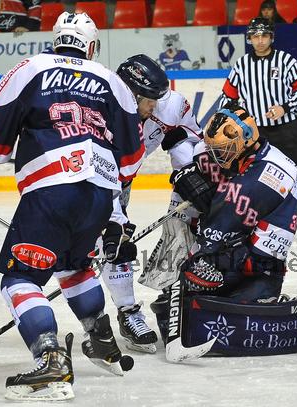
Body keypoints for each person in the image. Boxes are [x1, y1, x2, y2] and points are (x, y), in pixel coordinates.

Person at [0, 12, 145, 401]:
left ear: (57, 40)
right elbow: (132, 161)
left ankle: (50, 359)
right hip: (101, 195)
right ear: (90, 46)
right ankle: (100, 335)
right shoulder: (114, 83)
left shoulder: (30, 67)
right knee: (74, 265)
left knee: (19, 281)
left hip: (52, 191)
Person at [151, 103, 297, 341]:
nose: (213, 155)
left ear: (245, 143)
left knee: (232, 292)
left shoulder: (273, 173)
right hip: (218, 250)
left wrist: (202, 261)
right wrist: (186, 174)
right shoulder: (212, 151)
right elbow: (189, 204)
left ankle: (264, 295)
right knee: (174, 297)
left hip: (256, 262)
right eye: (212, 148)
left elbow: (228, 222)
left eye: (221, 150)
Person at [100, 54, 202, 354]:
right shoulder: (100, 113)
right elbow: (103, 181)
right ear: (129, 95)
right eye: (148, 100)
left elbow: (187, 136)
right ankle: (118, 311)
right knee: (108, 242)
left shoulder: (169, 103)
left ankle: (142, 306)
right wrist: (115, 221)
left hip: (123, 179)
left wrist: (185, 170)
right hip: (90, 182)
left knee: (117, 244)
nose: (155, 106)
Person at [219, 17, 297, 230]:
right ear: (249, 39)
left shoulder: (286, 61)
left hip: (289, 128)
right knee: (251, 175)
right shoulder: (241, 65)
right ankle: (252, 215)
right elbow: (227, 98)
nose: (260, 40)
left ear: (271, 37)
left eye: (264, 35)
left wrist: (284, 107)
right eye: (255, 36)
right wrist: (237, 119)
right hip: (256, 133)